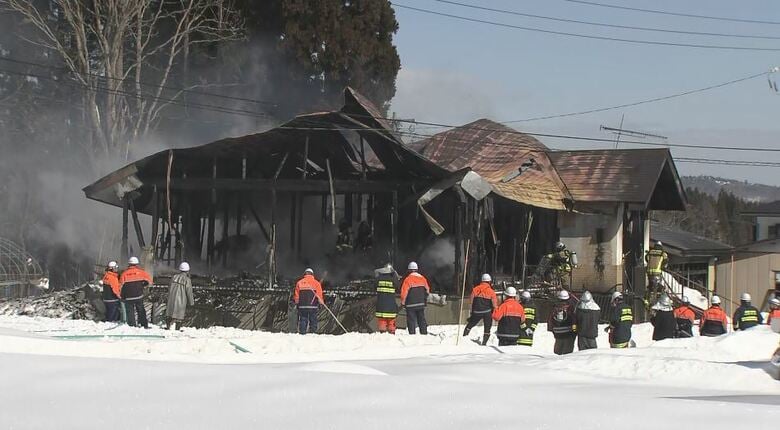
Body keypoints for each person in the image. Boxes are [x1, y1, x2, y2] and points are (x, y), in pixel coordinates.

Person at [463, 274, 498, 345]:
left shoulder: (475, 289)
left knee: (471, 324)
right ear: (489, 282)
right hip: (487, 312)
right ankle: (484, 342)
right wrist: (496, 311)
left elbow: (471, 301)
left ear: (481, 281)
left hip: (476, 311)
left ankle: (464, 336)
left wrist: (472, 312)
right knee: (487, 327)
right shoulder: (491, 291)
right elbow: (494, 304)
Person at [119, 256, 153, 328]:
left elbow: (120, 286)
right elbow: (149, 281)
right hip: (138, 296)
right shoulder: (141, 272)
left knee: (130, 312)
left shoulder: (124, 274)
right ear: (137, 264)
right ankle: (144, 325)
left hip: (128, 297)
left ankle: (132, 326)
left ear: (129, 264)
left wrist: (122, 296)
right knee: (141, 310)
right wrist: (143, 285)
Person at [400, 262, 431, 335]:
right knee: (421, 319)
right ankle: (424, 333)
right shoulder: (423, 278)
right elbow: (427, 290)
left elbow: (404, 292)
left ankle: (412, 334)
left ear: (409, 270)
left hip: (410, 304)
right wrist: (424, 299)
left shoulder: (407, 279)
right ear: (417, 269)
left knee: (411, 320)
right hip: (421, 304)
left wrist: (403, 303)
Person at [293, 268, 324, 335]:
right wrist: (321, 303)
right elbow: (319, 295)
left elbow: (297, 295)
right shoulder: (317, 283)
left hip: (302, 306)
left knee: (303, 319)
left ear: (304, 274)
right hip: (313, 306)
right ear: (312, 274)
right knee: (313, 320)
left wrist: (296, 303)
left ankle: (302, 333)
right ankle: (313, 333)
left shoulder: (299, 282)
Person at [166, 262, 194, 330]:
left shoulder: (174, 277)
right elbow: (189, 292)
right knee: (179, 315)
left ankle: (168, 327)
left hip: (171, 298)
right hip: (181, 299)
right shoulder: (187, 280)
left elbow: (169, 287)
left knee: (170, 314)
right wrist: (191, 302)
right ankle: (177, 329)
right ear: (187, 271)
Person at [548, 289, 577, 355]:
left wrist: (551, 329)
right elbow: (574, 320)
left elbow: (550, 319)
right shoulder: (570, 308)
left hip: (557, 333)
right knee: (567, 354)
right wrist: (575, 330)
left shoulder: (555, 307)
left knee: (558, 353)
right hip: (568, 333)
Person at [374, 263, 399, 334]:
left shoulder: (378, 279)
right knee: (391, 321)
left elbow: (374, 287)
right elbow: (397, 287)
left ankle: (383, 333)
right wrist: (395, 275)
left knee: (382, 321)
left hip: (381, 306)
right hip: (391, 306)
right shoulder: (393, 279)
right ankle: (391, 333)